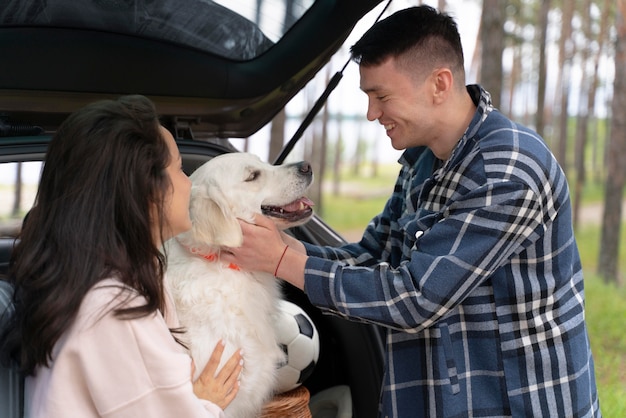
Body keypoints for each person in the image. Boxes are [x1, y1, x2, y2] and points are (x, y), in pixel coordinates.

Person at [220, 6, 602, 417]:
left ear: (440, 84)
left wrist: (283, 261)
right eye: (367, 97)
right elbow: (372, 255)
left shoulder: (506, 171)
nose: (371, 113)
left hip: (519, 402)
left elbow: (417, 298)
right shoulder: (423, 159)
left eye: (381, 96)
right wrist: (282, 247)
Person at [0, 95, 242, 417]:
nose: (189, 185)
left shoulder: (90, 285)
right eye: (181, 169)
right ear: (147, 188)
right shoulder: (116, 308)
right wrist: (203, 403)